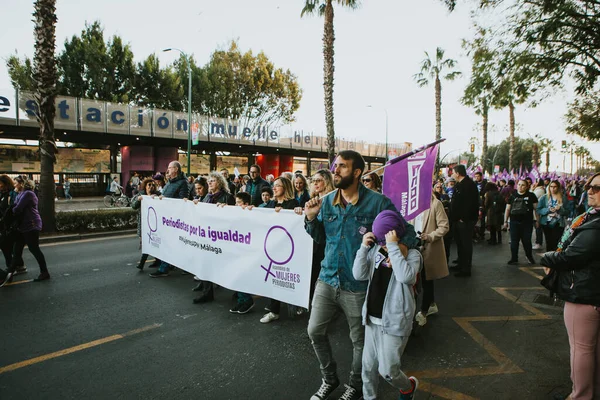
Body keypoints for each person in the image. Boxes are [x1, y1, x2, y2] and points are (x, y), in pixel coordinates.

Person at [303, 150, 417, 400]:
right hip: (327, 278)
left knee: (359, 341)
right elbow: (322, 239)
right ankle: (329, 379)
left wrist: (400, 248)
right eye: (335, 166)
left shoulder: (377, 203)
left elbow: (407, 232)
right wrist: (311, 219)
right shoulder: (327, 200)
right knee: (315, 331)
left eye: (342, 167)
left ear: (357, 172)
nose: (336, 170)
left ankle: (354, 385)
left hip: (357, 284)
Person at [540, 172, 600, 400]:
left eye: (596, 188)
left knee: (581, 349)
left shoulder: (595, 224)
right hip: (592, 291)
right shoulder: (589, 217)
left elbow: (572, 256)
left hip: (586, 293)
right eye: (589, 186)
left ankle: (581, 395)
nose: (590, 191)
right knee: (593, 349)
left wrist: (547, 257)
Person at [352, 210, 421, 400]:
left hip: (395, 321)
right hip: (372, 319)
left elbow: (405, 276)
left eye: (384, 239)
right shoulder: (376, 250)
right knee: (367, 369)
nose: (381, 243)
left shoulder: (413, 254)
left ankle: (408, 387)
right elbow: (358, 274)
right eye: (380, 240)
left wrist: (393, 248)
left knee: (388, 371)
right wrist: (363, 248)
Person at [259, 176, 300, 323]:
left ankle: (295, 303)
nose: (274, 188)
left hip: (287, 249)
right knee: (273, 278)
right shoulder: (270, 203)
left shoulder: (293, 203)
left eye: (278, 186)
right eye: (273, 185)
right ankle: (274, 310)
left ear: (286, 188)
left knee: (286, 278)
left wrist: (295, 211)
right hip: (272, 247)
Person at [192, 171, 235, 302]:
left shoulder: (228, 197)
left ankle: (239, 291)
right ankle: (207, 292)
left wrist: (226, 209)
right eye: (209, 181)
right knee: (206, 262)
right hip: (207, 236)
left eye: (213, 181)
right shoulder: (207, 197)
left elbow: (234, 218)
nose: (209, 183)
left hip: (221, 237)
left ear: (220, 183)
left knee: (226, 265)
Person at [0, 175, 49, 286]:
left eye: (16, 183)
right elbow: (15, 207)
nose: (14, 185)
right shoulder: (20, 194)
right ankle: (9, 274)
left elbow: (17, 208)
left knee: (34, 249)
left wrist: (12, 208)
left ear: (21, 184)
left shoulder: (28, 194)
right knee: (17, 250)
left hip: (31, 225)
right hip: (23, 226)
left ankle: (44, 272)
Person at [149, 161, 189, 278]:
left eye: (170, 168)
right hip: (166, 218)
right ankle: (171, 264)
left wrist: (166, 199)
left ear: (176, 169)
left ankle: (164, 268)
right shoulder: (169, 183)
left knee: (168, 244)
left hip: (174, 219)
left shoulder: (183, 183)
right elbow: (164, 195)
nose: (168, 170)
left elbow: (183, 200)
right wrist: (156, 197)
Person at [415, 192, 449, 327]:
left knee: (426, 280)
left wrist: (430, 236)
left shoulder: (436, 204)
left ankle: (423, 312)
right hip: (413, 247)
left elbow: (444, 226)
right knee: (418, 280)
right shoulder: (411, 205)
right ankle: (432, 304)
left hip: (429, 248)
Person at [449, 165, 479, 277]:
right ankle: (460, 263)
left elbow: (470, 204)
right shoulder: (460, 184)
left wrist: (463, 219)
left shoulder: (469, 185)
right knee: (460, 243)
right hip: (457, 220)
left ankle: (466, 268)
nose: (452, 175)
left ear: (457, 173)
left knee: (465, 244)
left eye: (453, 173)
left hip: (465, 221)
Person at [504, 179, 538, 265]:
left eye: (523, 185)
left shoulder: (531, 196)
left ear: (527, 187)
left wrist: (537, 220)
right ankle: (514, 258)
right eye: (519, 185)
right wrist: (505, 222)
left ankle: (529, 256)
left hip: (527, 222)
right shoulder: (512, 196)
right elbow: (507, 209)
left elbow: (536, 209)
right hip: (514, 222)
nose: (520, 187)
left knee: (526, 241)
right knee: (514, 241)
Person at [131, 178, 160, 271]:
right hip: (144, 224)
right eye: (149, 185)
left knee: (153, 243)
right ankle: (155, 260)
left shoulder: (157, 195)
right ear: (145, 186)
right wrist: (138, 200)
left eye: (152, 185)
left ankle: (143, 263)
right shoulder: (141, 195)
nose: (151, 187)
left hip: (155, 224)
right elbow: (133, 206)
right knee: (146, 243)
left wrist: (158, 198)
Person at [0, 175, 24, 276]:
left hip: (10, 225)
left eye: (1, 185)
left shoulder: (12, 194)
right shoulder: (2, 194)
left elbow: (14, 209)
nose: (0, 187)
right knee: (9, 246)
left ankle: (12, 267)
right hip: (3, 224)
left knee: (6, 246)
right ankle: (18, 265)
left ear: (6, 184)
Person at [537, 180, 569, 252]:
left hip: (558, 223)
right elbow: (538, 209)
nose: (553, 188)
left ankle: (554, 258)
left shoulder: (563, 198)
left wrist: (560, 209)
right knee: (549, 242)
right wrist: (548, 210)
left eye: (555, 187)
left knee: (556, 242)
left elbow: (567, 211)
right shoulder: (544, 197)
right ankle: (548, 258)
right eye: (551, 187)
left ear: (558, 188)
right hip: (546, 222)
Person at [532, 179, 546, 250]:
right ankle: (537, 242)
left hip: (537, 212)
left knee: (538, 227)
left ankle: (539, 243)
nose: (534, 183)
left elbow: (532, 198)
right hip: (536, 212)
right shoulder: (538, 189)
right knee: (537, 227)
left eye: (535, 181)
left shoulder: (539, 190)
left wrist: (531, 189)